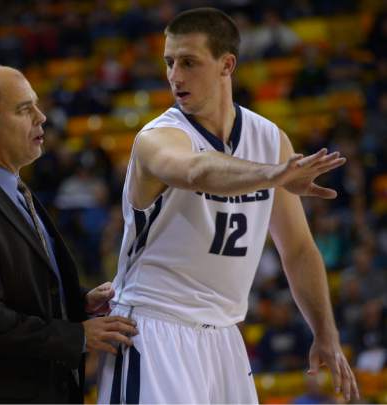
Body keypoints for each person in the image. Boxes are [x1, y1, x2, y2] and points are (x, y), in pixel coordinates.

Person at [97, 8, 359, 404]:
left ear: (227, 65)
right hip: (153, 330)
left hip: (224, 337)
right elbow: (197, 170)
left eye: (188, 62)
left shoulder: (269, 139)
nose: (175, 76)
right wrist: (275, 176)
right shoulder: (157, 139)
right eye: (169, 62)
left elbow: (299, 250)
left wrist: (325, 332)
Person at [0, 65, 138, 403]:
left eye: (36, 105)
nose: (41, 117)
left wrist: (77, 302)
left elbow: (21, 287)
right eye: (24, 109)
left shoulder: (11, 184)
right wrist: (75, 335)